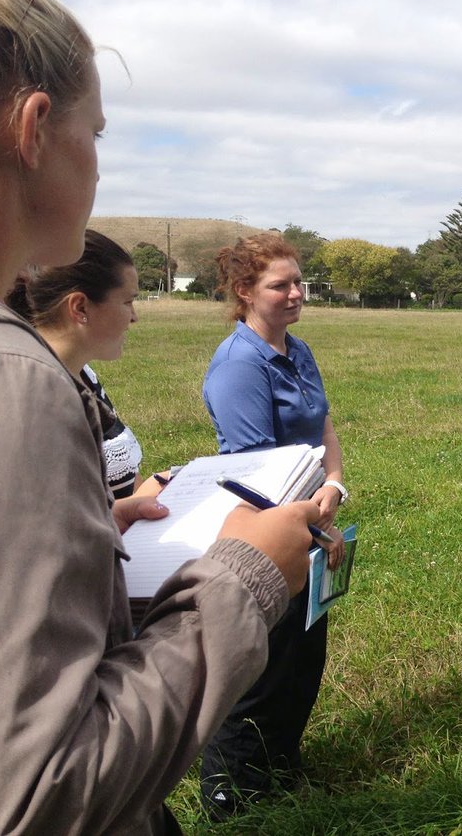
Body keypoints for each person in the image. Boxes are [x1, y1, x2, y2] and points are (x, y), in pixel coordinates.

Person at [0, 0, 322, 835]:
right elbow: (34, 794)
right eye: (99, 132)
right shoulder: (6, 375)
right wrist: (244, 580)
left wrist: (83, 535)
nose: (97, 161)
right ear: (36, 129)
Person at [199, 232, 348, 817]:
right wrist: (314, 524)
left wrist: (334, 486)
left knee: (301, 657)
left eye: (297, 283)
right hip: (268, 529)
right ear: (244, 292)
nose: (295, 294)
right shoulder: (238, 365)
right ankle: (228, 789)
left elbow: (323, 425)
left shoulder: (298, 349)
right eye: (279, 285)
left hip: (311, 520)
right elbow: (255, 476)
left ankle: (281, 765)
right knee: (258, 666)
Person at [8, 230, 144, 499]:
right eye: (128, 302)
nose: (134, 317)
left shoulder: (83, 375)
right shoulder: (33, 394)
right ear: (80, 308)